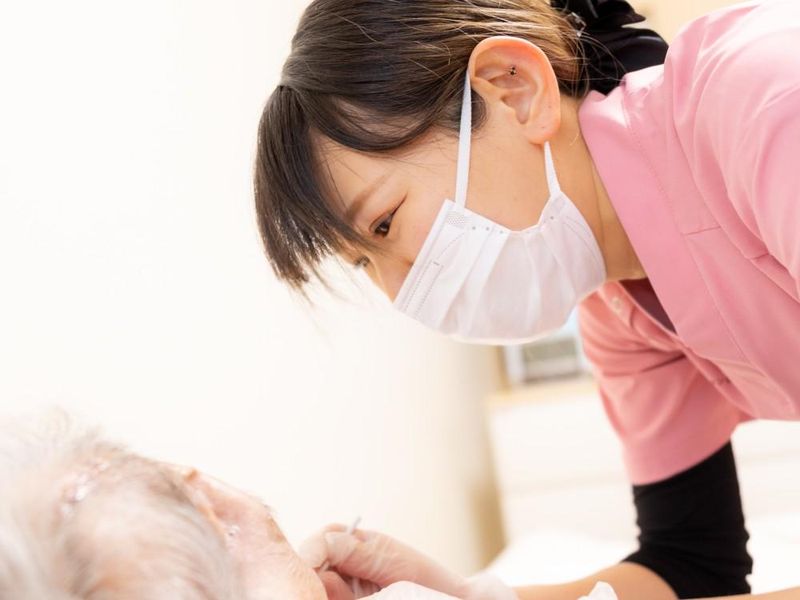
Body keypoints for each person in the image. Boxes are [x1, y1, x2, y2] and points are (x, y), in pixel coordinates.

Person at [254, 0, 800, 598]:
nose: (399, 293)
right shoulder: (619, 309)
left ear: (515, 89)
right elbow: (691, 565)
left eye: (385, 224)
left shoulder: (767, 104)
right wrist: (464, 596)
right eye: (364, 264)